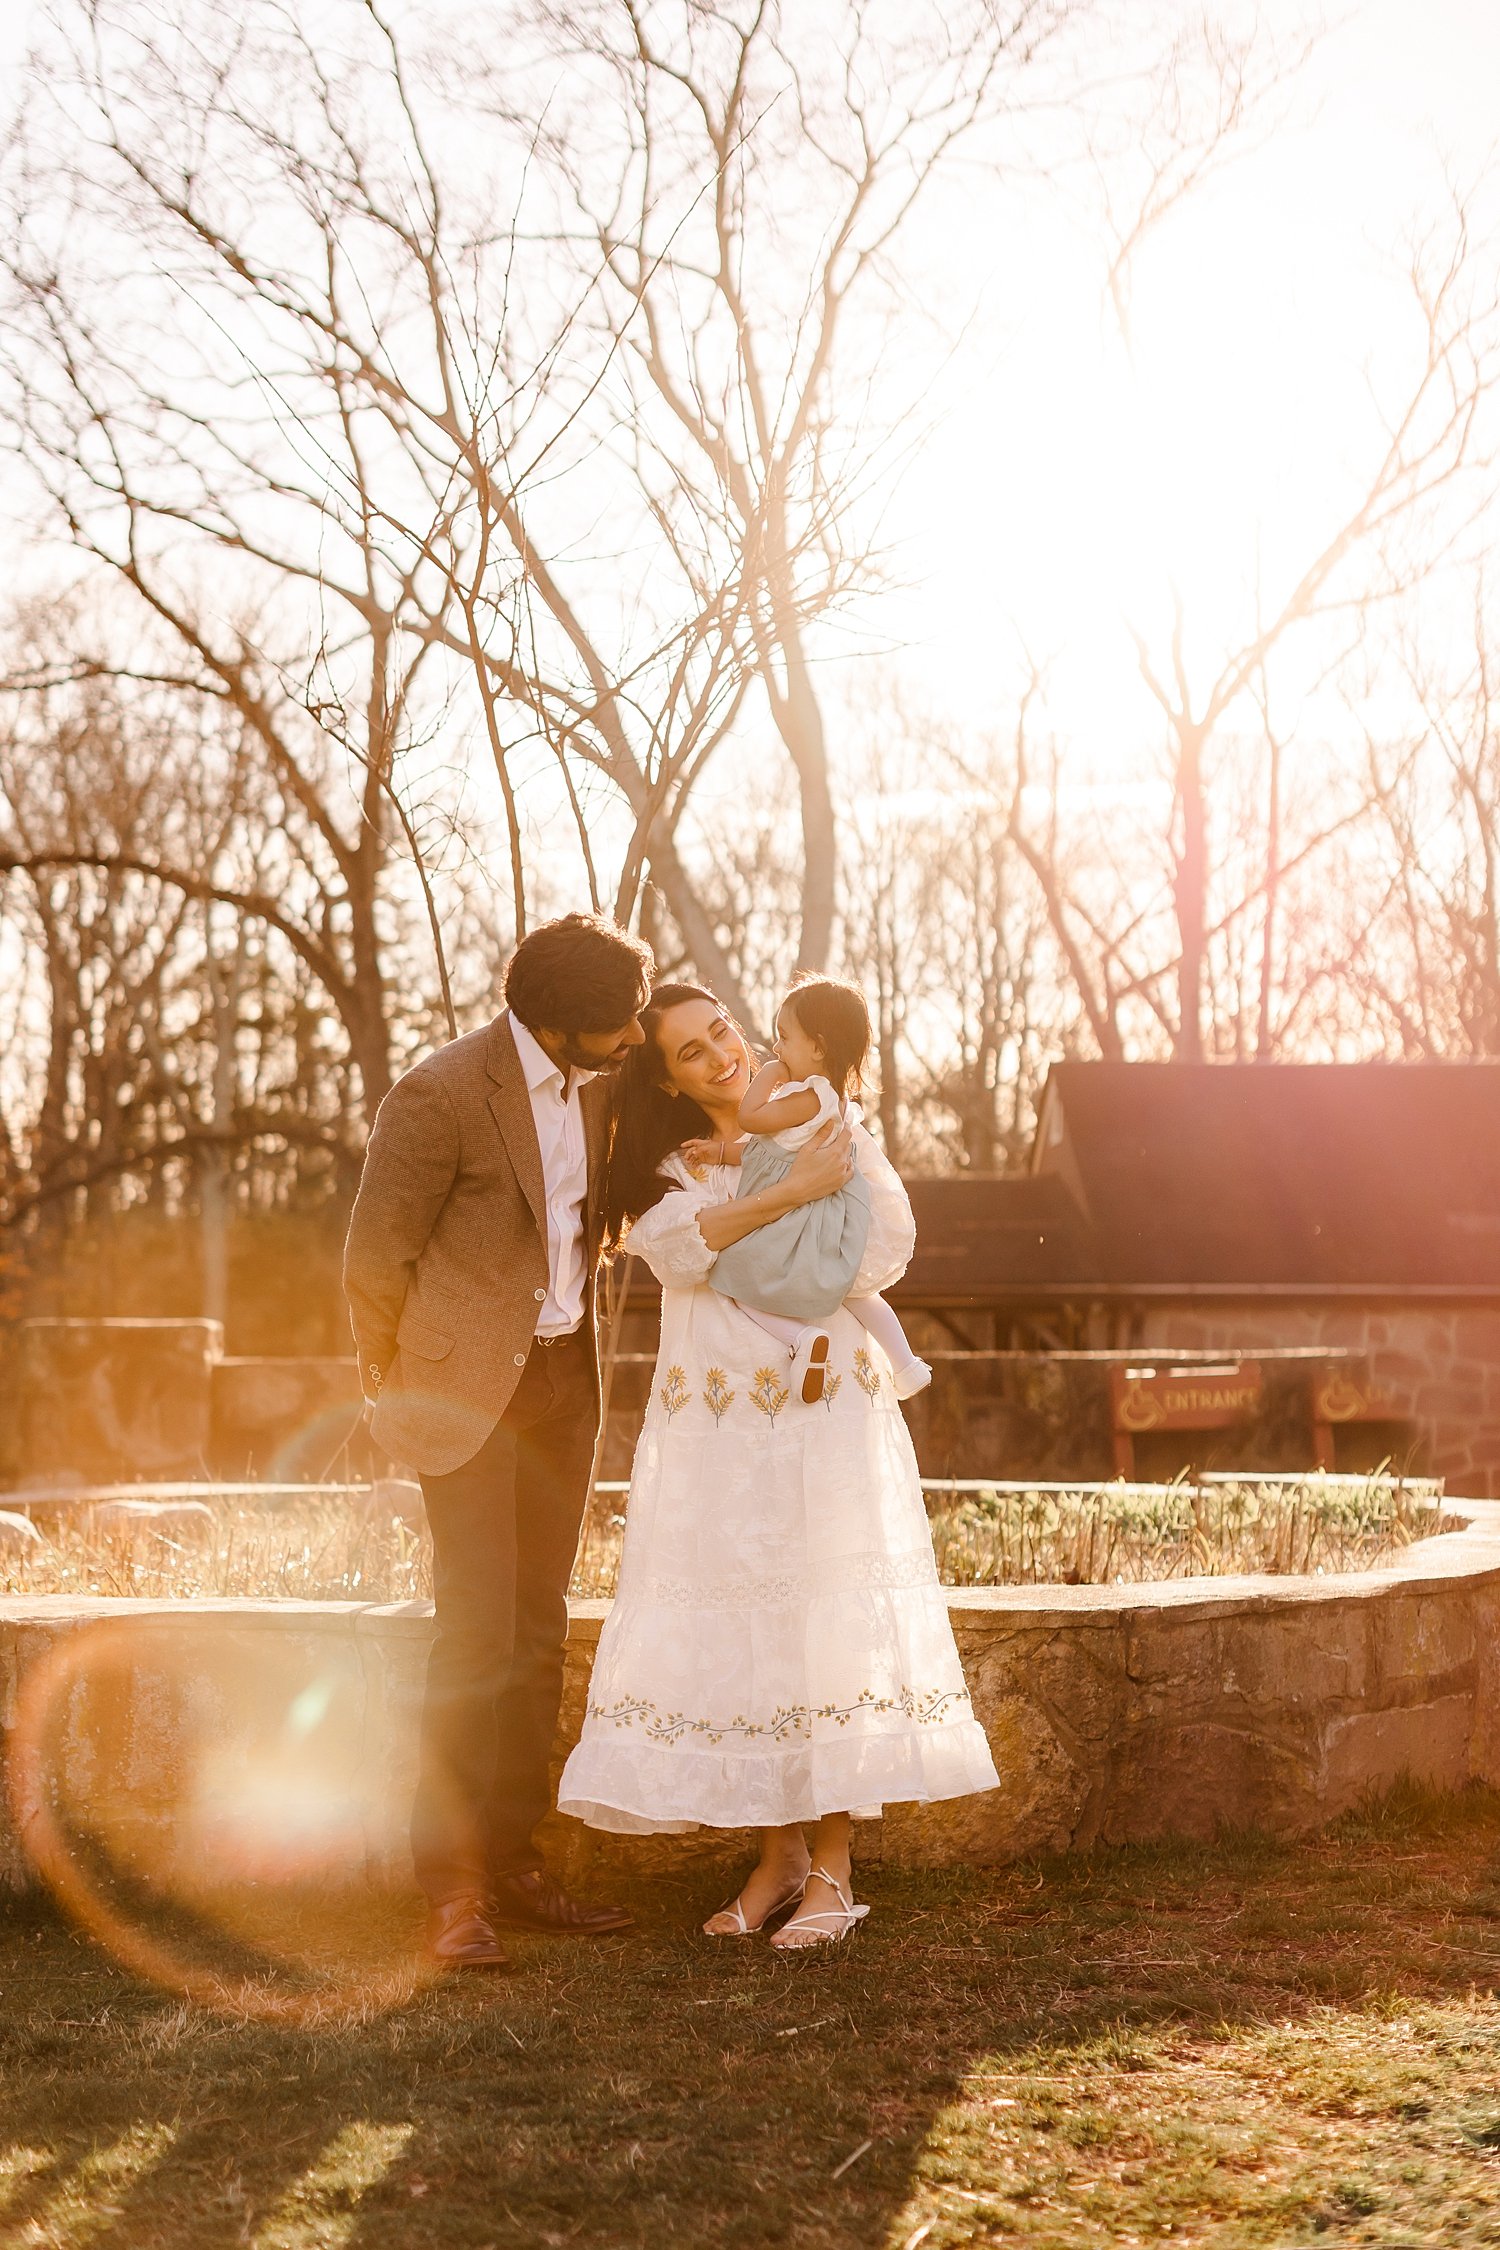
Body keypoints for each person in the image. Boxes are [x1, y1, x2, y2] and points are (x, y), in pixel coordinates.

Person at [557, 984, 998, 1949]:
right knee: (750, 1628)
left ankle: (834, 1868)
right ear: (667, 1079)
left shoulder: (819, 1122)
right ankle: (778, 1856)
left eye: (722, 1030)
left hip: (821, 1409)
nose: (720, 1056)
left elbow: (882, 1247)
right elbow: (678, 1252)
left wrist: (800, 1197)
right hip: (718, 1424)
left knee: (820, 1621)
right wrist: (789, 1198)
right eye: (689, 1053)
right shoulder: (674, 1167)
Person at [343, 911, 653, 1970]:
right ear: (561, 1024)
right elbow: (375, 1254)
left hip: (567, 1383)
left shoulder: (608, 1083)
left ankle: (517, 1861)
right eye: (620, 1023)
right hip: (463, 1397)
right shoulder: (440, 1093)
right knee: (473, 1633)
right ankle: (453, 1889)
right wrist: (392, 1386)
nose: (636, 1035)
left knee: (535, 1627)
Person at [691, 974, 932, 1404]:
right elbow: (765, 1154)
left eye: (783, 1038)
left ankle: (801, 1338)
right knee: (851, 1290)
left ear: (818, 1048)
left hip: (799, 1217)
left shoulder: (809, 1097)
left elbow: (752, 1120)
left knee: (732, 1277)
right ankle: (905, 1363)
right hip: (827, 1215)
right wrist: (718, 1152)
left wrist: (767, 1074)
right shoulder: (829, 1099)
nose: (777, 1049)